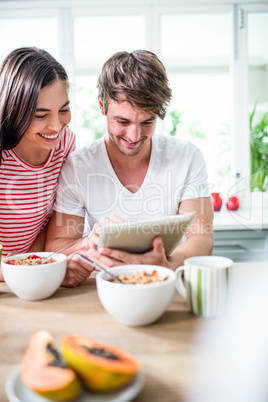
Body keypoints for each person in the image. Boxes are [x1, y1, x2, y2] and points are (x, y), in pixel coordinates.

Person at [46, 50, 214, 287]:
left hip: (165, 287)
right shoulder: (78, 166)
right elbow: (55, 247)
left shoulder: (187, 157)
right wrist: (84, 246)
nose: (134, 136)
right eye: (122, 121)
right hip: (105, 289)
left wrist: (169, 265)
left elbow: (202, 237)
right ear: (102, 106)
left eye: (147, 122)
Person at [0, 47, 76, 281]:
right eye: (40, 115)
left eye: (63, 110)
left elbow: (53, 222)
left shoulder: (64, 144)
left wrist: (38, 266)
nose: (56, 127)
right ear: (15, 110)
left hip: (31, 273)